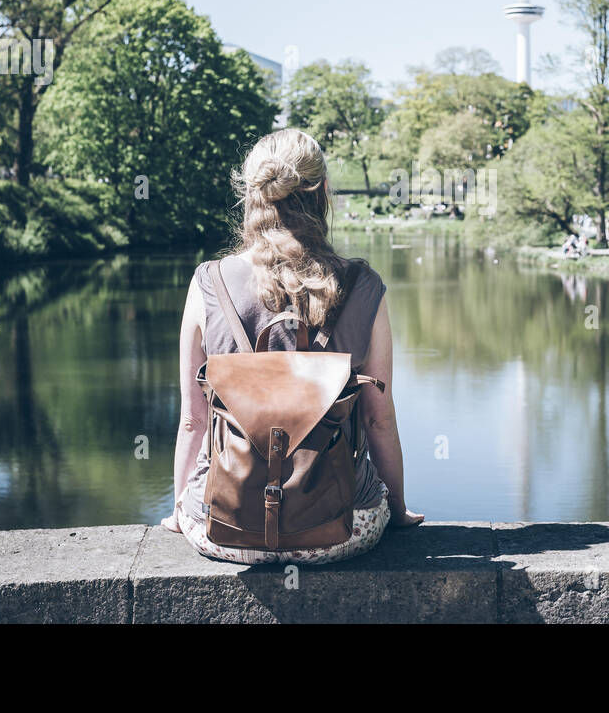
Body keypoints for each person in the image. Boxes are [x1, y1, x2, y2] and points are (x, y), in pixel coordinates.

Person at [163, 128, 422, 564]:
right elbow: (379, 419)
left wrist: (179, 512)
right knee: (367, 503)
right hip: (340, 530)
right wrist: (396, 510)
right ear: (322, 191)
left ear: (252, 193)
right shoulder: (363, 286)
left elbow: (193, 420)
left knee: (200, 506)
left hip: (224, 529)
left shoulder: (208, 282)